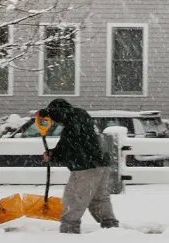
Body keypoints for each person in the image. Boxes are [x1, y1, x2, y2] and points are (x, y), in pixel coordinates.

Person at [39, 98, 120, 234]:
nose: (55, 122)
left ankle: (69, 230)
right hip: (101, 164)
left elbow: (70, 148)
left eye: (54, 118)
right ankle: (110, 228)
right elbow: (71, 143)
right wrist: (54, 153)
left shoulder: (72, 125)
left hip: (86, 167)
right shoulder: (80, 117)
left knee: (74, 198)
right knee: (98, 199)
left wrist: (53, 155)